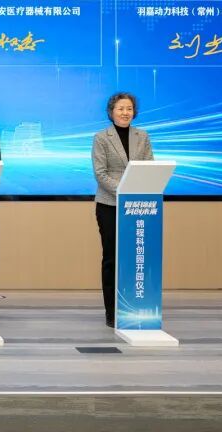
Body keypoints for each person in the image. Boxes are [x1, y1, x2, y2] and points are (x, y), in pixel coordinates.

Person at [91, 92, 154, 328]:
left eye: (129, 108)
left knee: (135, 257)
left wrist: (136, 191)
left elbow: (148, 166)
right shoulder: (101, 138)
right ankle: (112, 311)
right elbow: (100, 173)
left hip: (138, 206)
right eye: (120, 108)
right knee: (112, 258)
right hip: (110, 205)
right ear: (111, 112)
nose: (125, 112)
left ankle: (135, 305)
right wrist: (125, 190)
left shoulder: (142, 136)